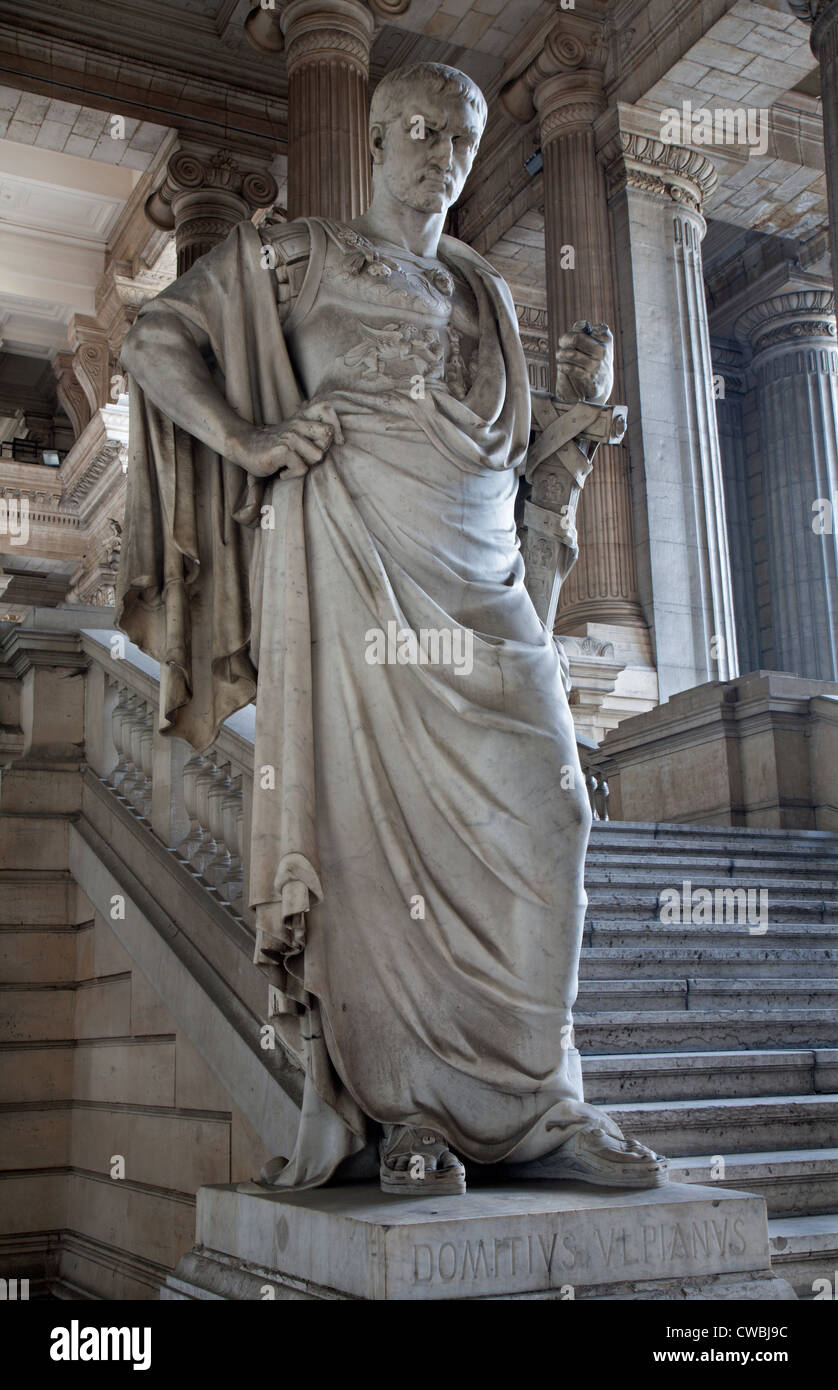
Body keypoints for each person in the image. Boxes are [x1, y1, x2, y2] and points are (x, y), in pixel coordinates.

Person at [117, 61, 667, 1197]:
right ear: (370, 141)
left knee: (554, 812)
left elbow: (503, 474)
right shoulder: (297, 255)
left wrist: (563, 434)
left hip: (477, 580)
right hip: (357, 574)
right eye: (417, 129)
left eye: (459, 138)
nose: (439, 152)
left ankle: (539, 1104)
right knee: (371, 848)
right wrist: (249, 437)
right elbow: (154, 341)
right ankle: (406, 1111)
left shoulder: (485, 294)